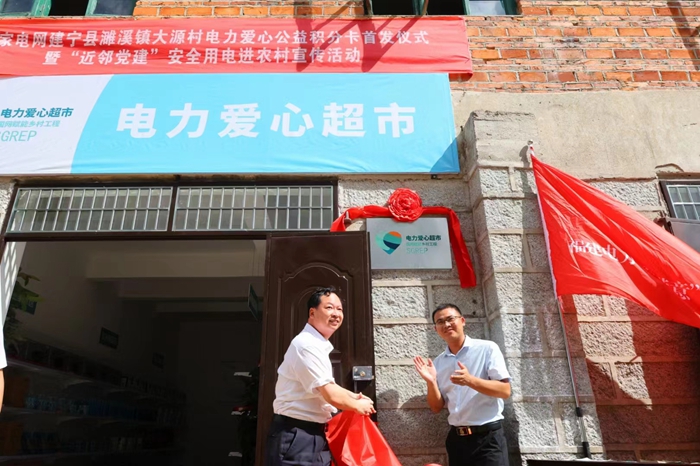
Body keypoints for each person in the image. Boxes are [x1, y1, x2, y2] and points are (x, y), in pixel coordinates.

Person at [266, 287, 375, 466]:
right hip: (297, 435)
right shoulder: (306, 345)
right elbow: (330, 394)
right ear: (312, 312)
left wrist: (354, 397)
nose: (336, 314)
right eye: (329, 307)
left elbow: (329, 385)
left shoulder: (317, 344)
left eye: (339, 309)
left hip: (313, 434)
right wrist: (357, 405)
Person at [414, 303, 511, 466]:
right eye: (440, 322)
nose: (446, 324)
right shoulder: (438, 363)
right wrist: (431, 382)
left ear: (463, 321)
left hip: (488, 438)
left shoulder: (487, 349)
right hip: (457, 441)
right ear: (436, 329)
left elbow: (505, 391)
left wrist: (470, 380)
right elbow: (436, 407)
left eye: (450, 319)